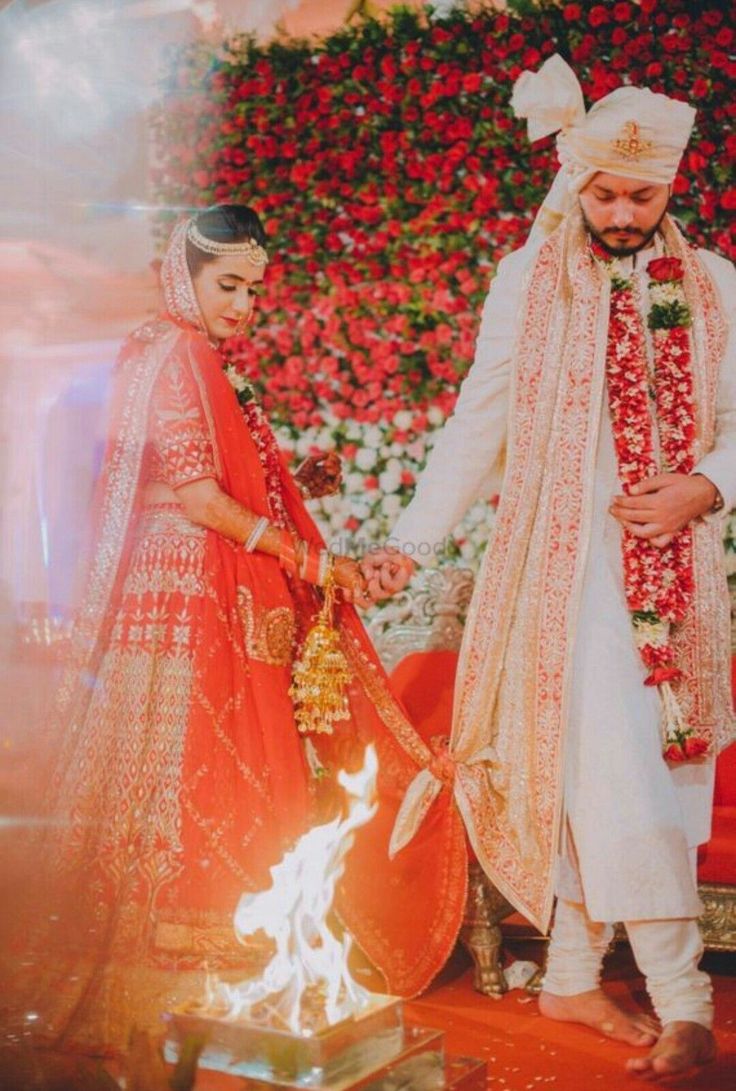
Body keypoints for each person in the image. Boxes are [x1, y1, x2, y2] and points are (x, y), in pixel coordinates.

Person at [2, 205, 466, 1056]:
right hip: (190, 596)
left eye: (254, 288)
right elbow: (200, 499)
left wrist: (290, 482)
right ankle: (196, 975)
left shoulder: (176, 352)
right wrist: (315, 561)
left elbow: (229, 481)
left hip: (201, 588)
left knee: (206, 770)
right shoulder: (178, 352)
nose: (246, 303)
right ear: (185, 275)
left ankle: (213, 965)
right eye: (229, 285)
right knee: (212, 769)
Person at [363, 56, 736, 1078]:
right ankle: (683, 1001)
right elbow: (478, 419)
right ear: (572, 176)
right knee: (617, 779)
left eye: (642, 194)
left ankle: (570, 971)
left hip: (672, 577)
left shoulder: (713, 288)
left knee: (629, 778)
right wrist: (412, 540)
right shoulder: (528, 278)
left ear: (673, 188)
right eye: (603, 191)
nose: (620, 212)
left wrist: (704, 484)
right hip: (555, 580)